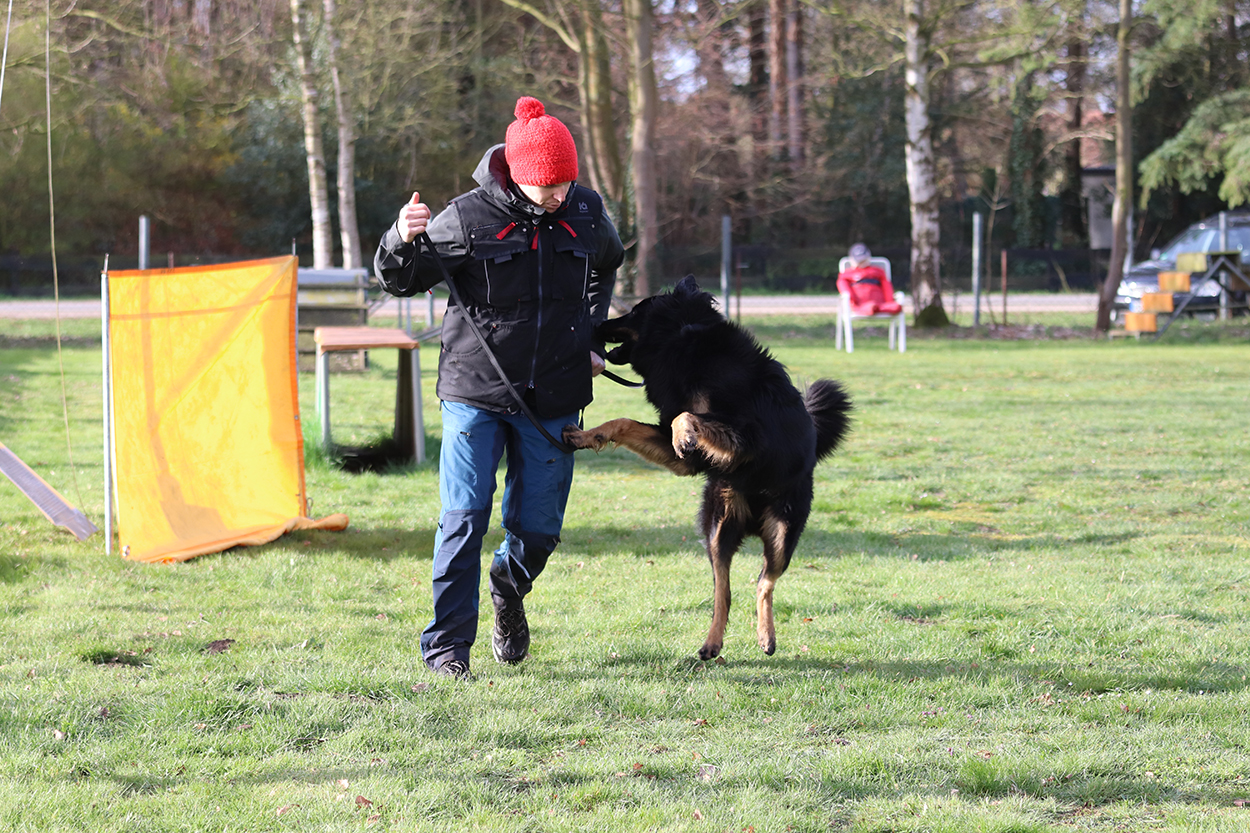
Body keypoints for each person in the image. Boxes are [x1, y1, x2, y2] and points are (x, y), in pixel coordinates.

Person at [374, 96, 625, 680]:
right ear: (517, 174)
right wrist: (399, 237)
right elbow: (400, 280)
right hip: (475, 393)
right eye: (548, 185)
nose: (558, 195)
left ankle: (508, 587)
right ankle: (447, 650)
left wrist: (592, 334)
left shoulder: (586, 211)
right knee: (464, 518)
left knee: (538, 530)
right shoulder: (467, 217)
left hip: (555, 395)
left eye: (566, 182)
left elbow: (607, 263)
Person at [836, 242, 902, 316]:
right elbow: (844, 287)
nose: (861, 263)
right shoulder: (847, 274)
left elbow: (887, 287)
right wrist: (852, 300)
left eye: (863, 260)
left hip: (880, 302)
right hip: (861, 305)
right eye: (858, 261)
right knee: (870, 307)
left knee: (896, 307)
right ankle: (875, 308)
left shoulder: (878, 271)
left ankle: (879, 308)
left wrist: (889, 300)